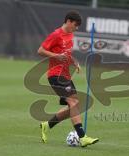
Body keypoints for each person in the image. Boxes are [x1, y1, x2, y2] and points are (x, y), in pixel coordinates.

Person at [37, 11, 99, 147]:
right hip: (55, 75)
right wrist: (55, 56)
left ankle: (47, 125)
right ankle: (82, 137)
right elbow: (40, 50)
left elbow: (66, 54)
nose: (76, 28)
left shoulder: (70, 35)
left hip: (65, 75)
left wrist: (74, 62)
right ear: (69, 21)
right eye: (75, 25)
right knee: (73, 102)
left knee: (73, 106)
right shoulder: (56, 34)